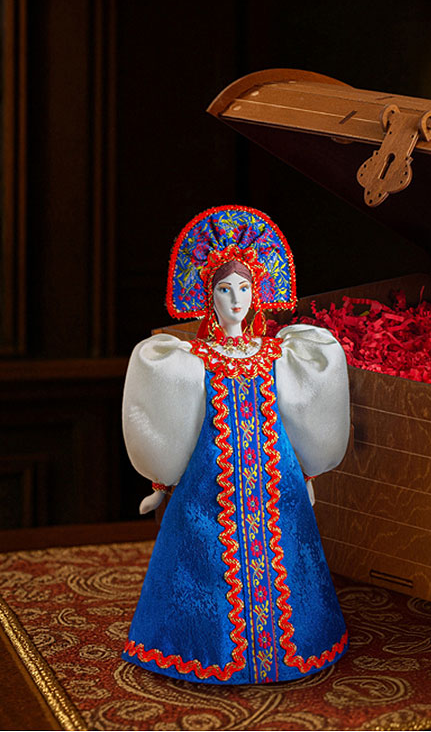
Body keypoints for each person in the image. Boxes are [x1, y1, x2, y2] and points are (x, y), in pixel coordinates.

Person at [120, 205, 350, 684]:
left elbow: (301, 410)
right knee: (203, 556)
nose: (236, 299)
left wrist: (308, 471)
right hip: (211, 480)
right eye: (225, 289)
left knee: (288, 553)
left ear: (258, 292)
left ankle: (295, 644)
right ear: (209, 296)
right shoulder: (190, 358)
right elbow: (173, 420)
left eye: (244, 288)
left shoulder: (279, 351)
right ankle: (200, 647)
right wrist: (161, 481)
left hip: (275, 476)